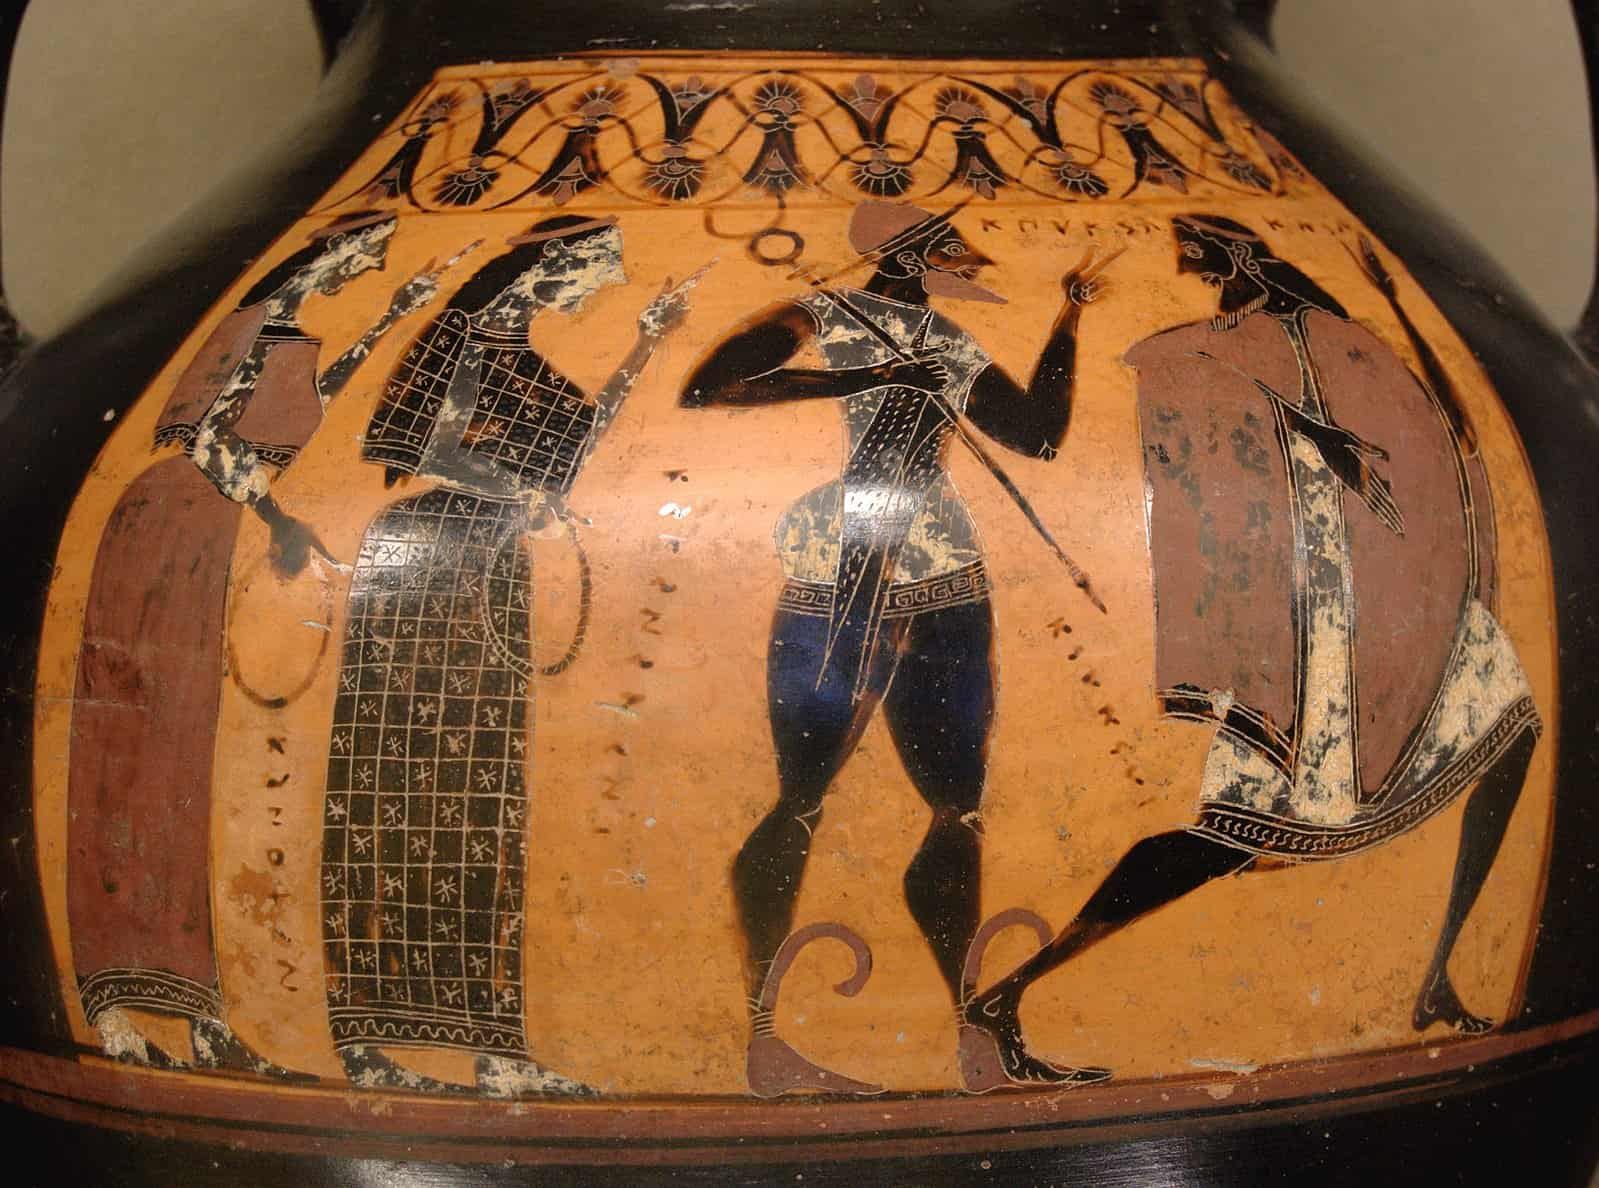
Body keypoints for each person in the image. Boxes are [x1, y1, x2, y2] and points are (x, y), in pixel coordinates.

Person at [959, 214, 1542, 1090]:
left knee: (1511, 726)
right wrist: (1306, 425)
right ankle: (1009, 993)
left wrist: (1390, 315)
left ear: (1235, 255)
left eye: (1198, 259)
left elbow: (1445, 428)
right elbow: (1187, 397)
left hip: (1385, 591)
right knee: (1221, 836)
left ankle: (1436, 973)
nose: (1193, 275)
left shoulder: (1330, 336)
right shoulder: (1213, 347)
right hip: (1308, 628)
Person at [680, 200, 1109, 1095]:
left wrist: (1067, 319)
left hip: (944, 567)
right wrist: (867, 377)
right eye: (950, 245)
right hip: (843, 560)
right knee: (800, 798)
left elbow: (1036, 435)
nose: (969, 258)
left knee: (957, 808)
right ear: (910, 252)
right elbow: (712, 385)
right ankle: (765, 1044)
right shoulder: (826, 311)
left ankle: (973, 1041)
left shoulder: (947, 338)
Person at [320, 214, 691, 1097]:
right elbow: (425, 447)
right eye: (597, 266)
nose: (604, 283)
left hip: (490, 560)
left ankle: (490, 1042)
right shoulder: (461, 340)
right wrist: (509, 486)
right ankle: (367, 1038)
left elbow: (571, 451)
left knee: (484, 794)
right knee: (393, 792)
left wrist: (644, 345)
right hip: (424, 561)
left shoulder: (522, 358)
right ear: (548, 264)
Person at [68, 209, 432, 1075]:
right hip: (169, 526)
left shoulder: (288, 335)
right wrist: (278, 521)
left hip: (208, 529)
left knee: (183, 760)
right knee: (131, 756)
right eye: (369, 252)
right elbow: (203, 438)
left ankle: (195, 1010)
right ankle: (113, 1001)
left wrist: (388, 318)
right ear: (337, 248)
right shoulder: (245, 322)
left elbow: (300, 403)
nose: (372, 262)